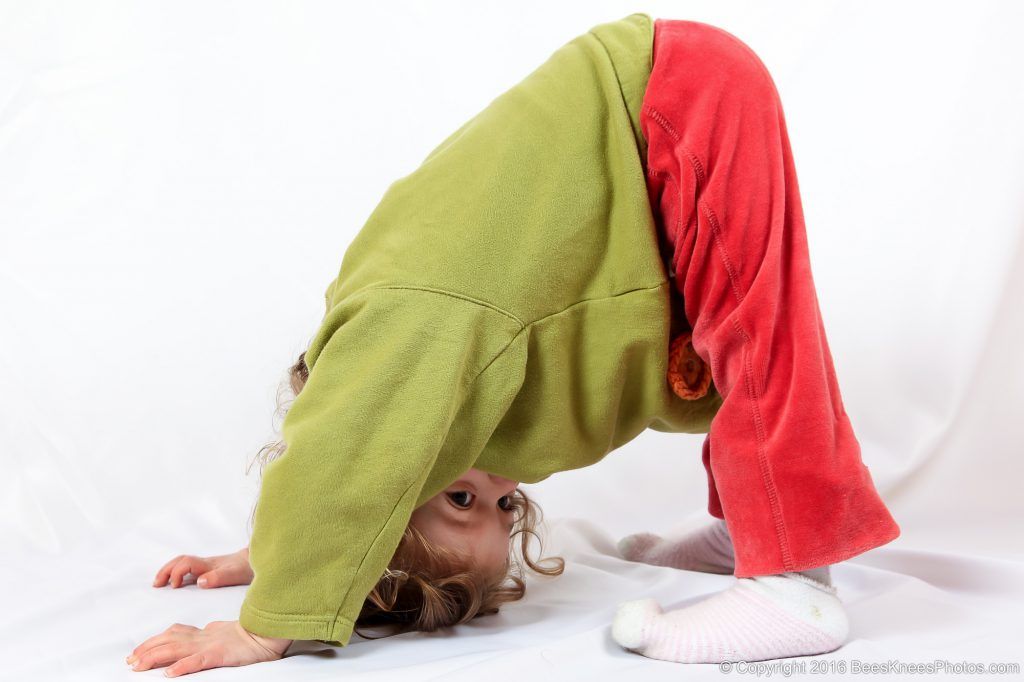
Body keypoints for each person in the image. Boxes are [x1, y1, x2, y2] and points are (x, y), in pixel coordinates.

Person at [125, 13, 899, 675]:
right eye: (505, 504)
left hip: (671, 103)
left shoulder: (402, 335)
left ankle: (792, 580)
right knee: (739, 338)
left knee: (761, 337)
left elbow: (345, 453)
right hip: (660, 135)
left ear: (395, 485)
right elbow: (349, 463)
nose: (500, 481)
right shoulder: (395, 349)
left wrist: (270, 616)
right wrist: (275, 548)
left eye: (462, 498)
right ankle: (750, 525)